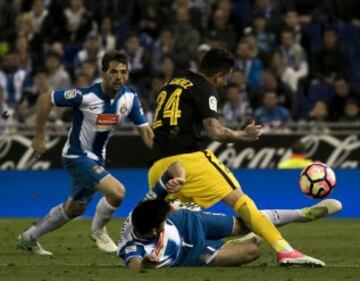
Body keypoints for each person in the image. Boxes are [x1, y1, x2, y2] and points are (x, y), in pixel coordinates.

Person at [148, 47, 324, 266]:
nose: (224, 84)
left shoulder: (176, 80)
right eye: (225, 79)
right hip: (188, 160)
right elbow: (215, 131)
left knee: (176, 223)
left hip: (157, 167)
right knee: (241, 201)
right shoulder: (205, 88)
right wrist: (244, 135)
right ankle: (284, 250)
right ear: (219, 75)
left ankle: (163, 254)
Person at [16, 50, 154, 255]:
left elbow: (145, 130)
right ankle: (98, 230)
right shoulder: (86, 95)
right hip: (76, 155)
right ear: (103, 73)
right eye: (113, 71)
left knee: (74, 208)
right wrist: (39, 137)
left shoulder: (130, 98)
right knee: (117, 193)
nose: (119, 77)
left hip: (98, 159)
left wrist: (164, 153)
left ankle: (28, 238)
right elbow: (46, 99)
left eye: (123, 72)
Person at [118, 163, 342, 269]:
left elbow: (175, 165)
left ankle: (301, 214)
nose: (161, 228)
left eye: (161, 222)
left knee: (247, 222)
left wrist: (181, 178)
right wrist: (146, 263)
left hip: (187, 222)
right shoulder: (132, 246)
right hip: (192, 255)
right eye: (159, 227)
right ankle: (233, 244)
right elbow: (135, 265)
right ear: (149, 231)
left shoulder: (146, 206)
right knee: (252, 251)